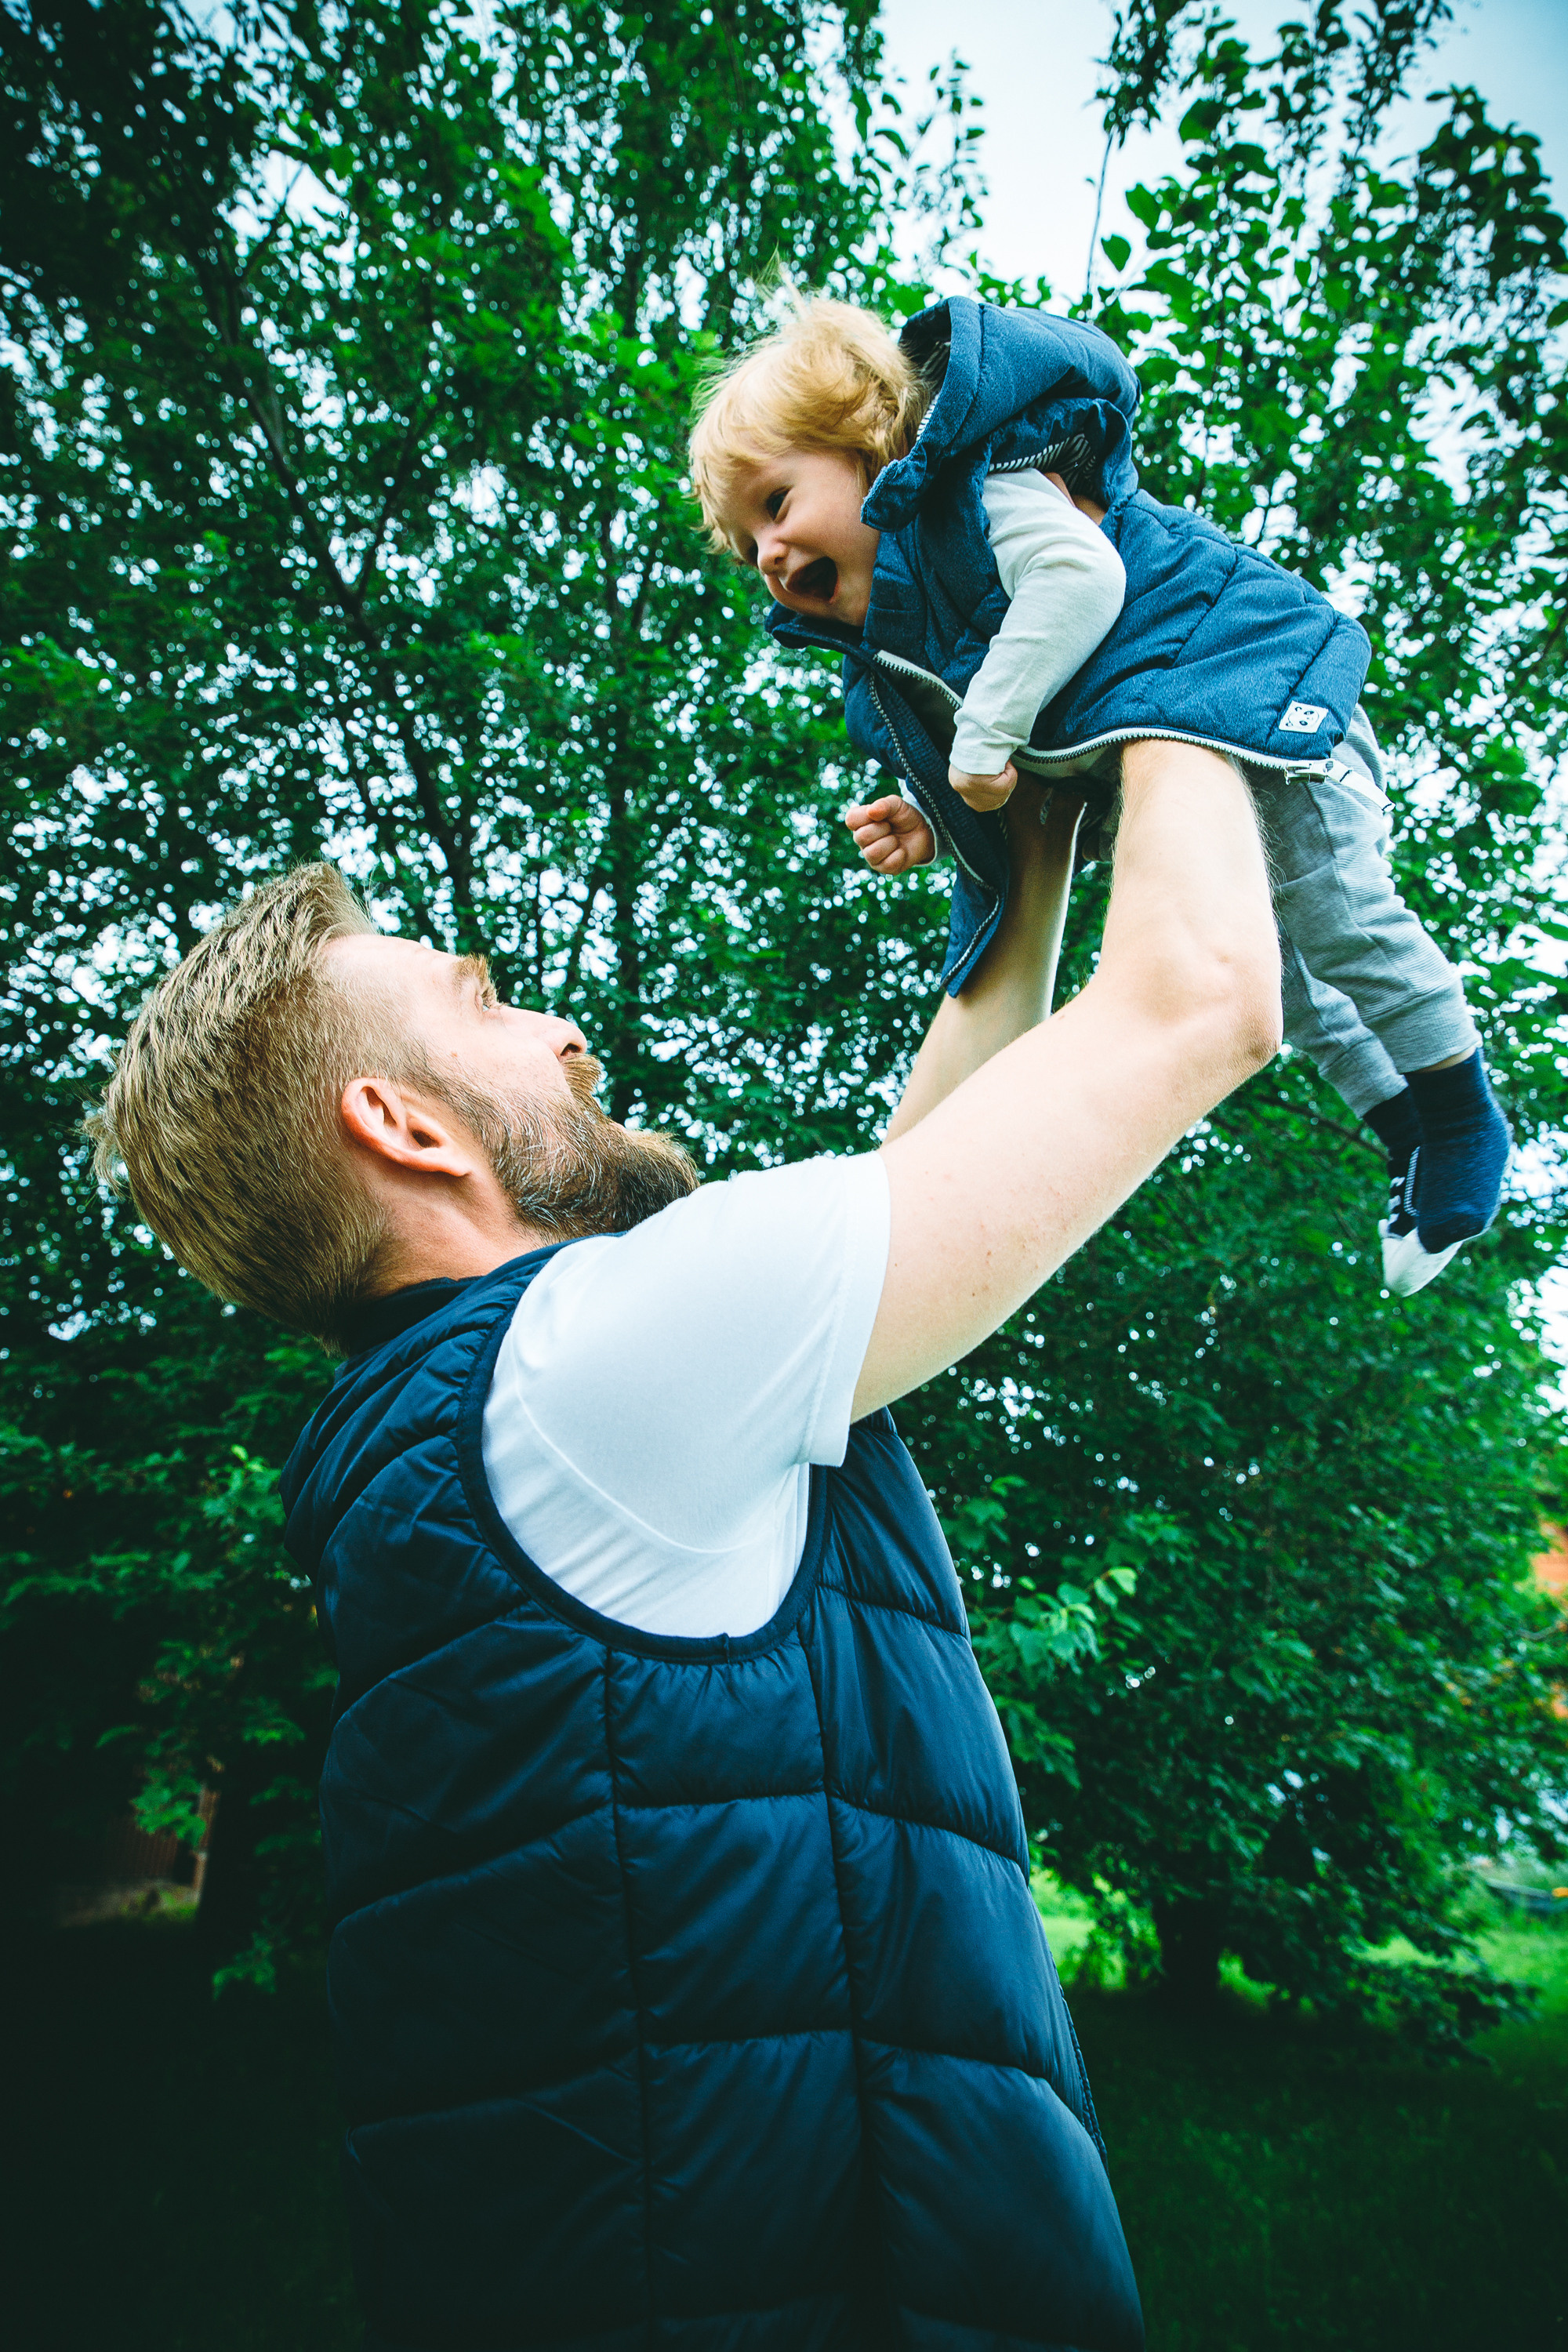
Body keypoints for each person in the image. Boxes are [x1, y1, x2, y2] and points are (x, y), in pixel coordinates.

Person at [85, 743, 1280, 2350]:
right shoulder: (590, 1365)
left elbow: (929, 1175)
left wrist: (1031, 833)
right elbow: (1205, 997)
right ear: (402, 1122)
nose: (561, 1028)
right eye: (488, 1002)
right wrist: (1167, 663)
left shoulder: (484, 1428)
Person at [688, 293, 1512, 1298]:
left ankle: (1464, 1117)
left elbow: (1078, 582)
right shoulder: (911, 642)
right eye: (746, 547)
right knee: (1290, 983)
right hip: (1188, 737)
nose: (768, 556)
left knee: (1335, 914)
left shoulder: (977, 491)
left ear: (866, 449)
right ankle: (1404, 1136)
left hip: (1257, 687)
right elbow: (1016, 754)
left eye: (775, 506)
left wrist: (983, 737)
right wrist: (932, 820)